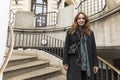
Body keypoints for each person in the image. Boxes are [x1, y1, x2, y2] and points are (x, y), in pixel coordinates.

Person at [63, 12, 99, 80]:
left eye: (83, 18)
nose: (81, 20)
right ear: (76, 20)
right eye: (79, 18)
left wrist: (95, 64)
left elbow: (93, 49)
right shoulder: (70, 32)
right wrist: (65, 62)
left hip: (88, 64)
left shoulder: (90, 33)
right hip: (74, 63)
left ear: (85, 20)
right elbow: (66, 48)